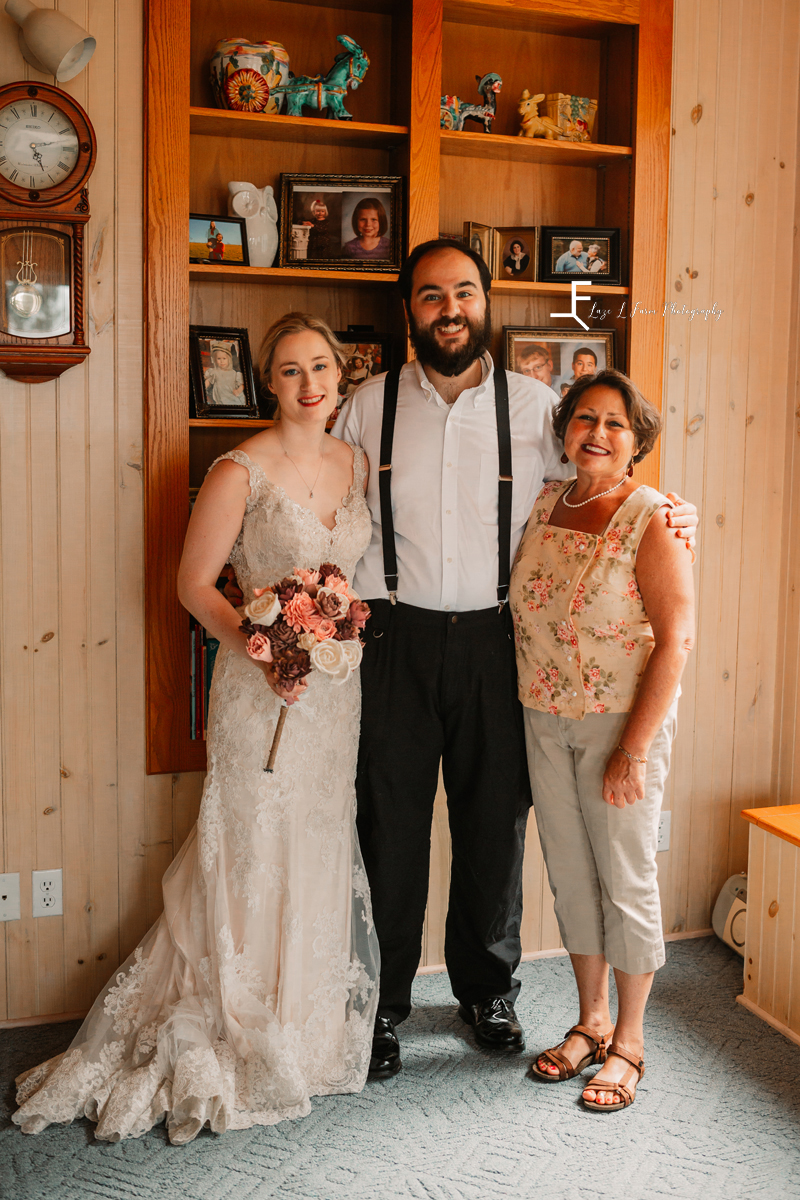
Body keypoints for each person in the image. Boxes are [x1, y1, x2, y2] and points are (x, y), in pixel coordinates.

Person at [330, 239, 699, 1079]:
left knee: (495, 823)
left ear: (485, 302)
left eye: (464, 292)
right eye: (431, 296)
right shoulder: (367, 404)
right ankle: (383, 1004)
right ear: (409, 311)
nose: (449, 309)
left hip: (503, 642)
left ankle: (486, 990)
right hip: (394, 635)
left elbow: (606, 481)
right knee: (388, 826)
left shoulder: (537, 406)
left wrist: (675, 510)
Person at [12, 313, 379, 1144]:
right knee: (252, 839)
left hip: (334, 698)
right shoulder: (238, 469)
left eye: (321, 366)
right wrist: (265, 649)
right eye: (289, 370)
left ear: (338, 373)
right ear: (267, 381)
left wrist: (327, 637)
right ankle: (240, 1016)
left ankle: (304, 1025)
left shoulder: (354, 461)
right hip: (258, 691)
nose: (309, 383)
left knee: (318, 836)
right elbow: (191, 584)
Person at [510, 369, 695, 1112]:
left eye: (616, 422)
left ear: (638, 441)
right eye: (585, 418)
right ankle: (588, 1021)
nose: (597, 432)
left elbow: (675, 641)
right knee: (571, 876)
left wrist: (635, 748)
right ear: (565, 433)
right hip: (543, 718)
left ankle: (630, 1041)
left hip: (621, 724)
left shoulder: (653, 515)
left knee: (627, 879)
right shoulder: (547, 502)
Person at [204, 342, 245, 406]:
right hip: (221, 401)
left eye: (224, 358)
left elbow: (242, 385)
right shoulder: (214, 372)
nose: (222, 361)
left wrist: (238, 391)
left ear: (229, 359)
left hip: (234, 399)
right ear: (215, 360)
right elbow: (208, 382)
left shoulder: (235, 374)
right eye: (219, 359)